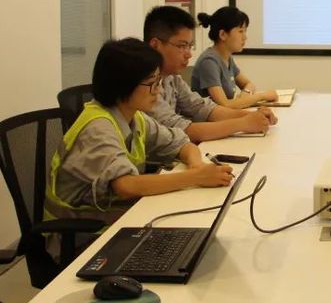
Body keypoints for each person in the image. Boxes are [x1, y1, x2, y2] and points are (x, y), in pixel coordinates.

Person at [45, 38, 234, 226]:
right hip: (80, 233)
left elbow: (182, 143)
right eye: (152, 83)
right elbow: (126, 186)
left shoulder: (135, 117)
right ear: (123, 85)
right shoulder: (98, 128)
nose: (157, 91)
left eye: (159, 82)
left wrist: (196, 166)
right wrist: (196, 177)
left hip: (116, 215)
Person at [144, 6, 278, 142]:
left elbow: (203, 108)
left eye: (190, 46)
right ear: (155, 45)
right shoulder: (143, 84)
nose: (189, 54)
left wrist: (251, 115)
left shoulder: (172, 78)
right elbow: (181, 130)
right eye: (182, 46)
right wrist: (243, 123)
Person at [190, 5, 278, 109]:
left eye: (245, 31)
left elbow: (249, 84)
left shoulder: (227, 58)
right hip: (210, 118)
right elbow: (225, 105)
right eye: (240, 31)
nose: (245, 37)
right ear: (223, 34)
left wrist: (245, 94)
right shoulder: (209, 61)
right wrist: (262, 96)